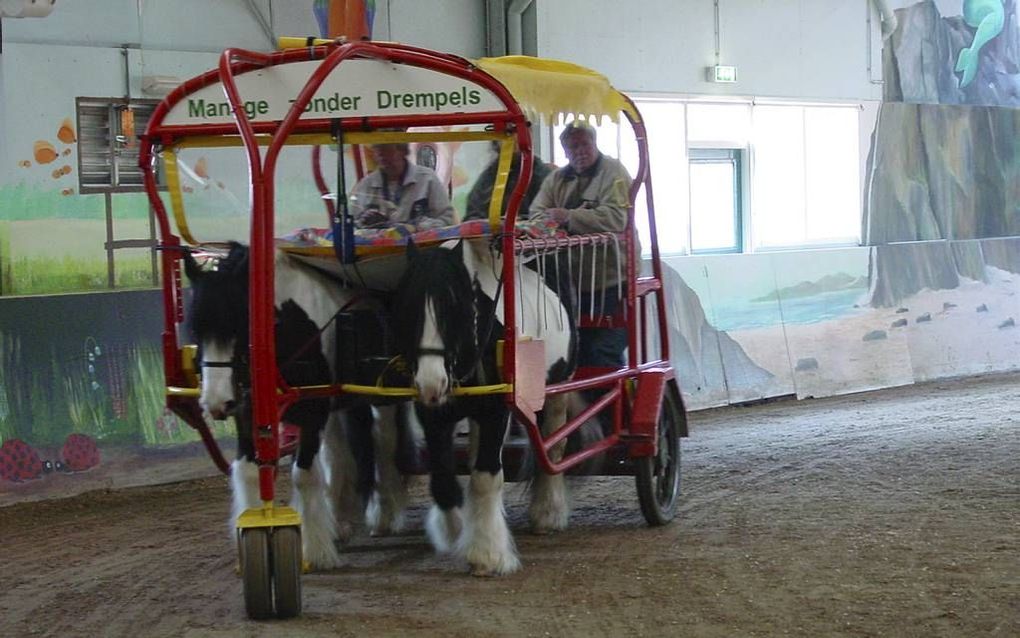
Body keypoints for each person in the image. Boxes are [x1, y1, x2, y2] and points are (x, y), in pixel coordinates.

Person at [529, 120, 636, 368]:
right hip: (569, 283)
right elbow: (537, 213)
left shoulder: (614, 173)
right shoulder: (556, 179)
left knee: (601, 352)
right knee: (570, 351)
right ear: (565, 151)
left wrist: (568, 217)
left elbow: (617, 218)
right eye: (572, 146)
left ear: (595, 143)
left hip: (612, 283)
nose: (579, 151)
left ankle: (610, 403)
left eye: (584, 144)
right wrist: (548, 223)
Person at [349, 142, 454, 230]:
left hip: (421, 250)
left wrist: (415, 227)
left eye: (386, 148)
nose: (380, 154)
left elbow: (448, 220)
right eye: (376, 149)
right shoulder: (366, 184)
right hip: (380, 253)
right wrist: (365, 223)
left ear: (402, 151)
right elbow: (352, 225)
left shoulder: (427, 179)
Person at [464, 141, 553, 222]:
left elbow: (547, 216)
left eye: (515, 133)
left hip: (531, 235)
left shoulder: (541, 174)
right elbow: (472, 216)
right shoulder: (489, 176)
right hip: (493, 236)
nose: (512, 140)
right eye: (507, 134)